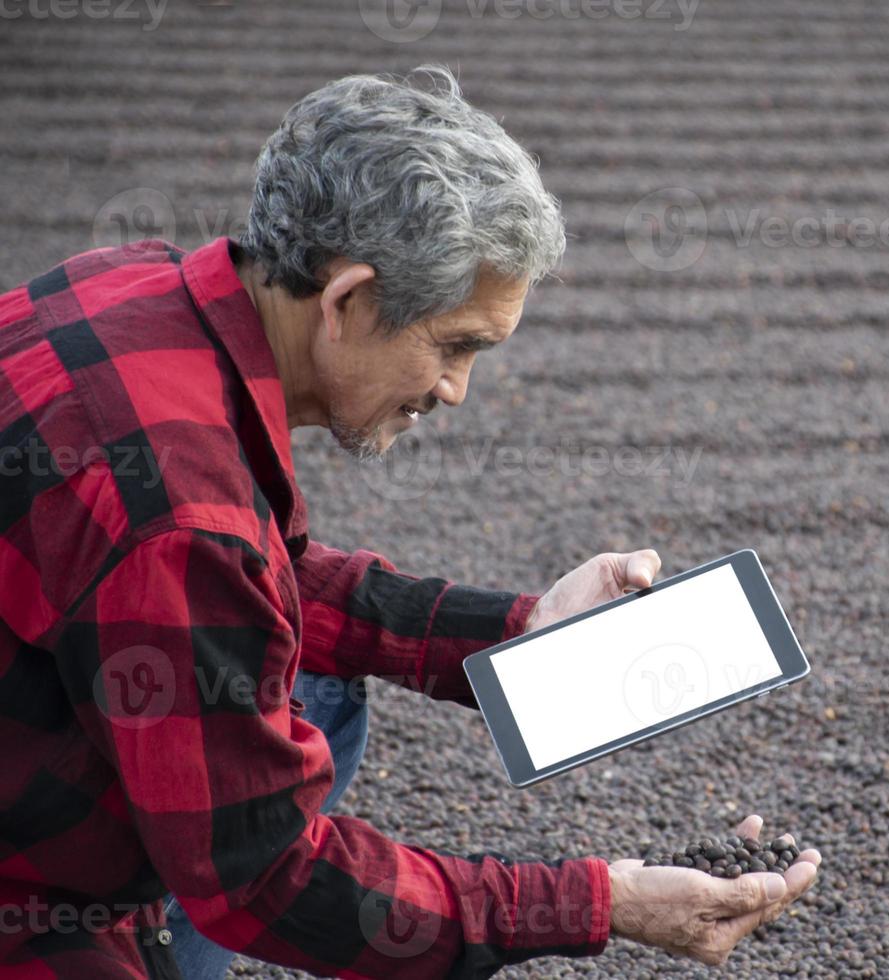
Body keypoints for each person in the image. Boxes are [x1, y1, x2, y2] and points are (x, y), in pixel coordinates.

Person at [0, 66, 819, 978]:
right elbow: (271, 880)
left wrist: (515, 631)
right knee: (253, 820)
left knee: (317, 689)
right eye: (455, 344)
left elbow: (239, 581)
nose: (455, 390)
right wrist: (598, 902)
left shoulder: (136, 290)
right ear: (348, 301)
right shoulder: (180, 515)